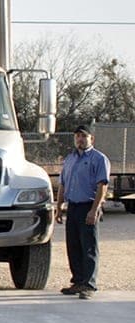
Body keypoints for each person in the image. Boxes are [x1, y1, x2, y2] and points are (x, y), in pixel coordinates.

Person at [55, 125, 110, 300]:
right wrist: (59, 207)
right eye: (77, 136)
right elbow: (63, 184)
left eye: (84, 136)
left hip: (88, 206)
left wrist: (94, 210)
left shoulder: (98, 159)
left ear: (91, 139)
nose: (80, 139)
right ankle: (77, 281)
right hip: (73, 207)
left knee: (89, 247)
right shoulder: (70, 159)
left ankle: (89, 285)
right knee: (74, 246)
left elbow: (103, 186)